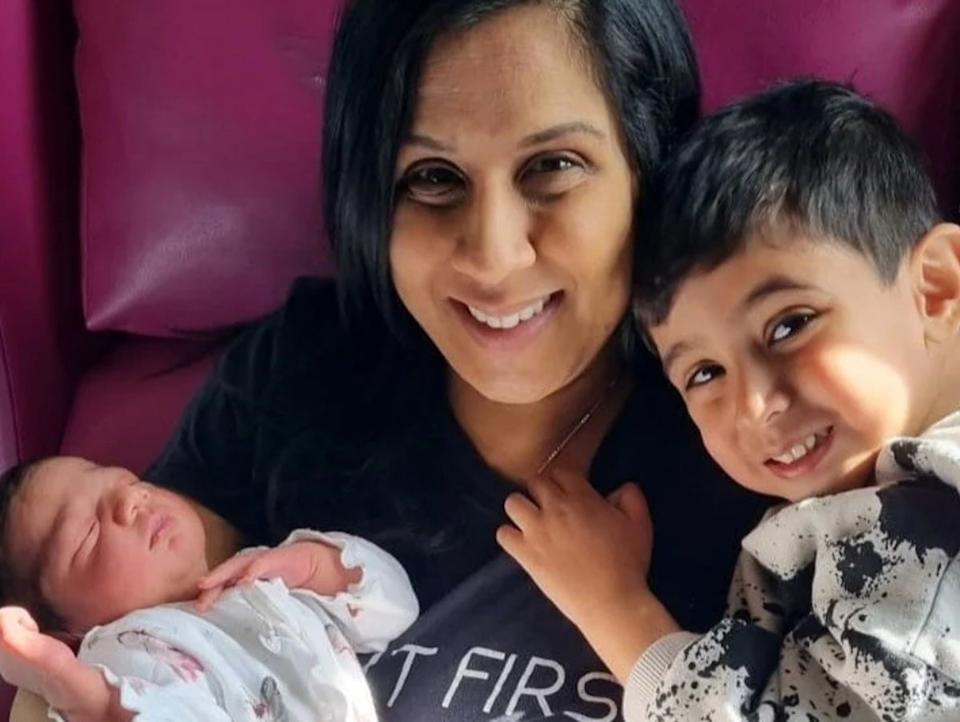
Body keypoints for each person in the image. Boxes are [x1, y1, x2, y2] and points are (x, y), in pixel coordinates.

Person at [11, 1, 769, 720]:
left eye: (552, 166)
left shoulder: (757, 432)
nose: (493, 256)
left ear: (647, 166)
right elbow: (114, 634)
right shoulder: (303, 372)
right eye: (433, 177)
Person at [497, 79, 960, 721]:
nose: (753, 407)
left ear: (936, 287)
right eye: (705, 373)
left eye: (789, 326)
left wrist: (614, 607)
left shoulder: (929, 522)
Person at [0, 456, 419, 721]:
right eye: (88, 534)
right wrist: (95, 700)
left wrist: (317, 565)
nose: (131, 502)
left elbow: (398, 613)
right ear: (65, 632)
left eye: (124, 480)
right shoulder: (126, 647)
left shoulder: (258, 572)